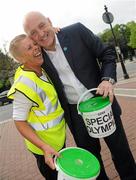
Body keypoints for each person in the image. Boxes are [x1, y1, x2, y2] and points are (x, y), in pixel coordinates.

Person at [23, 11, 136, 180]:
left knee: (122, 154)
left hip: (102, 103)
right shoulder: (37, 58)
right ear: (30, 38)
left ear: (49, 21)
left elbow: (107, 54)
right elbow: (19, 49)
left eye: (42, 26)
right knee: (91, 162)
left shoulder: (76, 32)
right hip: (76, 116)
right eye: (33, 33)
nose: (40, 34)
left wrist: (107, 80)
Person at [7, 34, 66, 180]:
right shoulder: (24, 83)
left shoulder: (39, 67)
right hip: (44, 148)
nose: (36, 48)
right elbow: (19, 121)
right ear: (21, 59)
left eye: (34, 44)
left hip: (57, 139)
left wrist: (53, 30)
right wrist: (44, 147)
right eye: (29, 47)